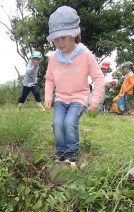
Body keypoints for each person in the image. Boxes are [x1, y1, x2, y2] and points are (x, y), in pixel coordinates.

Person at [45, 6, 105, 163]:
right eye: (56, 39)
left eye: (63, 37)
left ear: (74, 34)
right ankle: (60, 151)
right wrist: (47, 96)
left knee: (69, 122)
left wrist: (95, 99)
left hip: (79, 97)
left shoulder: (85, 54)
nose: (59, 42)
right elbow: (50, 79)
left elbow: (98, 78)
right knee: (57, 123)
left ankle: (72, 152)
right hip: (61, 98)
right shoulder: (53, 58)